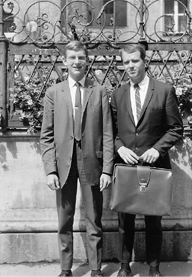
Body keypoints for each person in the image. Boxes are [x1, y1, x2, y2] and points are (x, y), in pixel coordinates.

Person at [40, 40, 114, 277]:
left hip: (92, 163)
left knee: (94, 220)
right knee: (64, 220)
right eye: (72, 58)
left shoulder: (99, 91)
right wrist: (50, 170)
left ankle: (95, 268)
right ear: (64, 62)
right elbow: (47, 135)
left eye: (81, 57)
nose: (77, 62)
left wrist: (107, 170)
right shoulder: (54, 93)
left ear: (87, 60)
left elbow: (107, 133)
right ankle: (65, 269)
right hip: (64, 165)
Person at [110, 44, 183, 277]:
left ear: (144, 61)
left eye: (135, 61)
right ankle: (124, 267)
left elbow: (176, 128)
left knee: (153, 220)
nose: (130, 66)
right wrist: (119, 148)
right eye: (126, 62)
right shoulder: (118, 93)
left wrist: (157, 149)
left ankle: (154, 268)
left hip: (155, 166)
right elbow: (110, 132)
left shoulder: (163, 90)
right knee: (125, 219)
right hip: (126, 166)